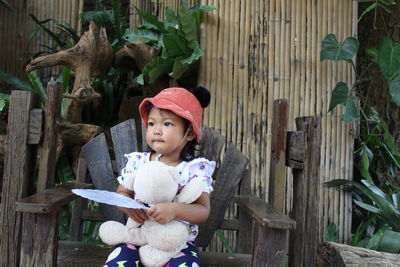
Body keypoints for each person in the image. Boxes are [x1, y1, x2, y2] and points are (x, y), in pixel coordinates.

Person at [103, 87, 215, 267]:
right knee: (118, 263)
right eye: (152, 124)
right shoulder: (138, 162)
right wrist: (129, 207)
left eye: (167, 124)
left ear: (190, 133)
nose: (156, 130)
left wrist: (175, 210)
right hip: (136, 239)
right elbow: (121, 193)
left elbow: (203, 211)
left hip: (177, 245)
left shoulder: (193, 170)